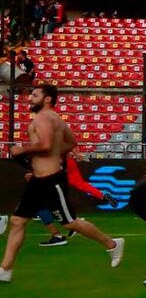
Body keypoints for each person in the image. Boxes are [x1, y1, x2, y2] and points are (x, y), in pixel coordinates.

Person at [0, 84, 125, 282]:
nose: (30, 98)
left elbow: (46, 145)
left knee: (70, 223)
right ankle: (5, 269)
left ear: (47, 98)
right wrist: (56, 155)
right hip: (39, 178)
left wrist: (22, 150)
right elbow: (71, 142)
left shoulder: (44, 118)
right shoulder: (56, 118)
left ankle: (112, 244)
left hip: (50, 180)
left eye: (34, 95)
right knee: (17, 221)